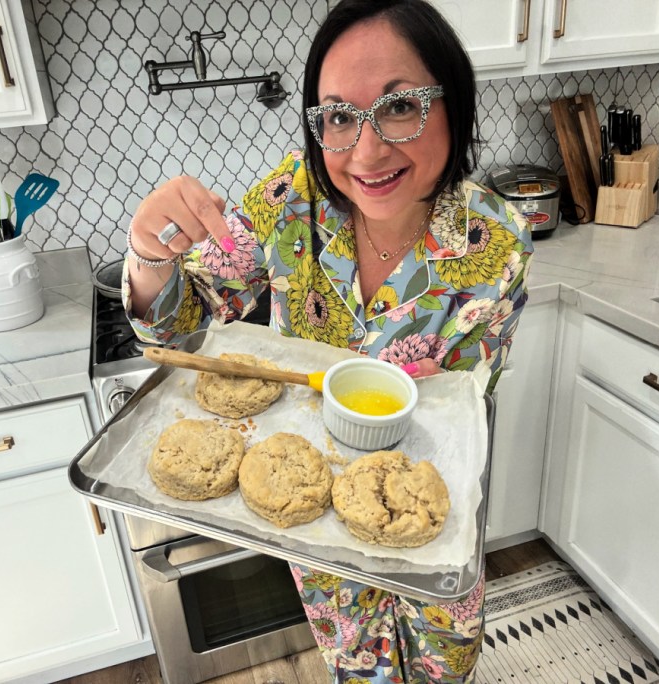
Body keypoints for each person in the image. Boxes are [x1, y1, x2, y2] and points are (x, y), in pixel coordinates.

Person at [123, 0, 533, 680]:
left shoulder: (499, 244)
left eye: (401, 106)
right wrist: (148, 253)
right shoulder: (289, 202)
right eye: (338, 116)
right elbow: (177, 330)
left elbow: (467, 410)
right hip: (317, 524)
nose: (366, 152)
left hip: (434, 522)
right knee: (353, 664)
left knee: (447, 663)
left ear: (453, 105)